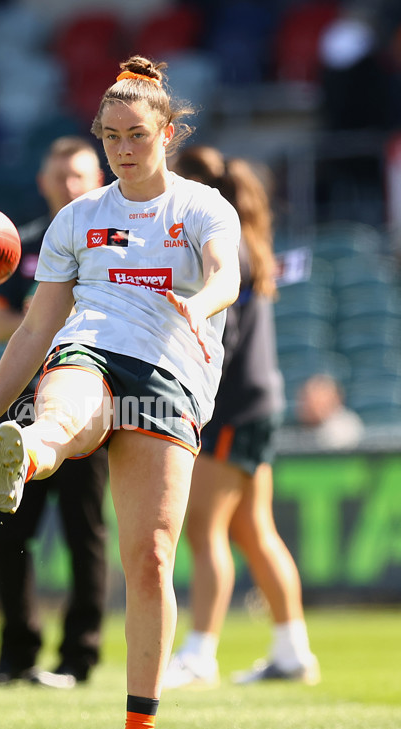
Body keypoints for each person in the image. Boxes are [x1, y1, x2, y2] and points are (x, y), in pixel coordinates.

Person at [0, 55, 241, 729]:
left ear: (166, 132)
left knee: (151, 557)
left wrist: (205, 300)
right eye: (111, 136)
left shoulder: (200, 207)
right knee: (63, 413)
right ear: (99, 138)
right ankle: (25, 449)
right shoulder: (78, 219)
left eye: (136, 134)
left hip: (171, 374)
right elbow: (35, 330)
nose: (123, 148)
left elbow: (228, 271)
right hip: (90, 346)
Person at [163, 146, 321, 690]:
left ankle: (200, 652)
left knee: (206, 532)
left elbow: (211, 337)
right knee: (255, 531)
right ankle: (292, 650)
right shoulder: (247, 244)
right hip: (259, 401)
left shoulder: (219, 248)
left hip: (233, 405)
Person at [0, 136, 109, 690]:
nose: (68, 184)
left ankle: (78, 657)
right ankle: (16, 653)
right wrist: (38, 317)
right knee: (4, 524)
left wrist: (50, 315)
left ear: (96, 179)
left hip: (87, 403)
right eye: (59, 176)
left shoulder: (110, 242)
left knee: (85, 532)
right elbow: (0, 325)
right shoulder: (20, 243)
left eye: (77, 175)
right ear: (43, 182)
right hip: (27, 404)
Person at [295, 373, 364, 450]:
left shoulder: (345, 426)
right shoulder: (296, 428)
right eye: (306, 399)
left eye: (319, 401)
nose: (310, 405)